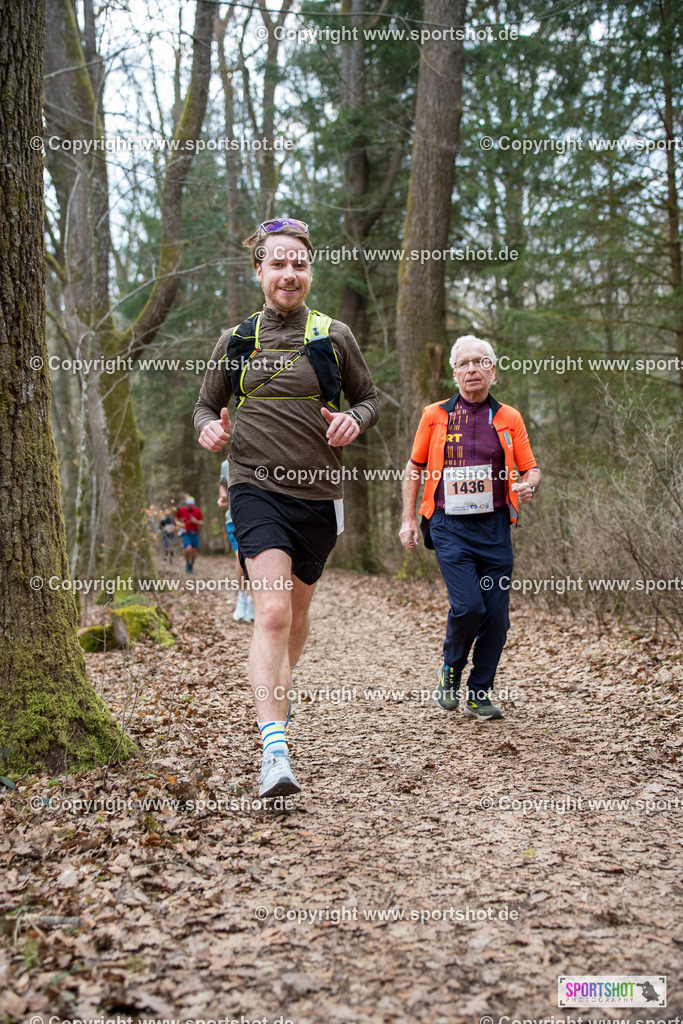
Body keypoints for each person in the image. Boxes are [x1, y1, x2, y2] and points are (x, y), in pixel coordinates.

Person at [193, 217, 379, 797]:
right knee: (270, 614)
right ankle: (275, 749)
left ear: (309, 271)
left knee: (297, 617)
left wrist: (354, 419)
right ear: (260, 272)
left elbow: (368, 399)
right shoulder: (237, 340)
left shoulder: (333, 336)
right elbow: (204, 408)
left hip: (319, 496)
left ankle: (279, 688)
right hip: (255, 488)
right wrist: (209, 434)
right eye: (278, 262)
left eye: (298, 263)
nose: (289, 273)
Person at [399, 335, 541, 721]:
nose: (472, 369)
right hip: (448, 526)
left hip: (495, 527)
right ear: (454, 372)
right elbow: (414, 466)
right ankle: (451, 669)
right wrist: (409, 518)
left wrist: (528, 485)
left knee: (496, 616)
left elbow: (531, 468)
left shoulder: (508, 417)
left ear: (493, 371)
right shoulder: (435, 414)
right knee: (468, 605)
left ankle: (480, 692)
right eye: (464, 363)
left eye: (481, 362)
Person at [218, 458, 254, 622]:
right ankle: (242, 597)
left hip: (258, 518)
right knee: (242, 559)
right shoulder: (226, 464)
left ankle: (253, 600)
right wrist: (223, 497)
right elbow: (223, 483)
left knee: (256, 560)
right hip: (233, 519)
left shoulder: (263, 456)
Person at [176, 495, 203, 573]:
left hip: (194, 533)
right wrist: (179, 523)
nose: (190, 506)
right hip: (185, 533)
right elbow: (176, 519)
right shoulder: (182, 510)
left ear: (193, 504)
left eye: (191, 505)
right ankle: (187, 563)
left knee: (194, 553)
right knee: (188, 549)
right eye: (188, 505)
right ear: (186, 504)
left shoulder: (197, 510)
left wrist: (196, 521)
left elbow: (201, 522)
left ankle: (191, 566)